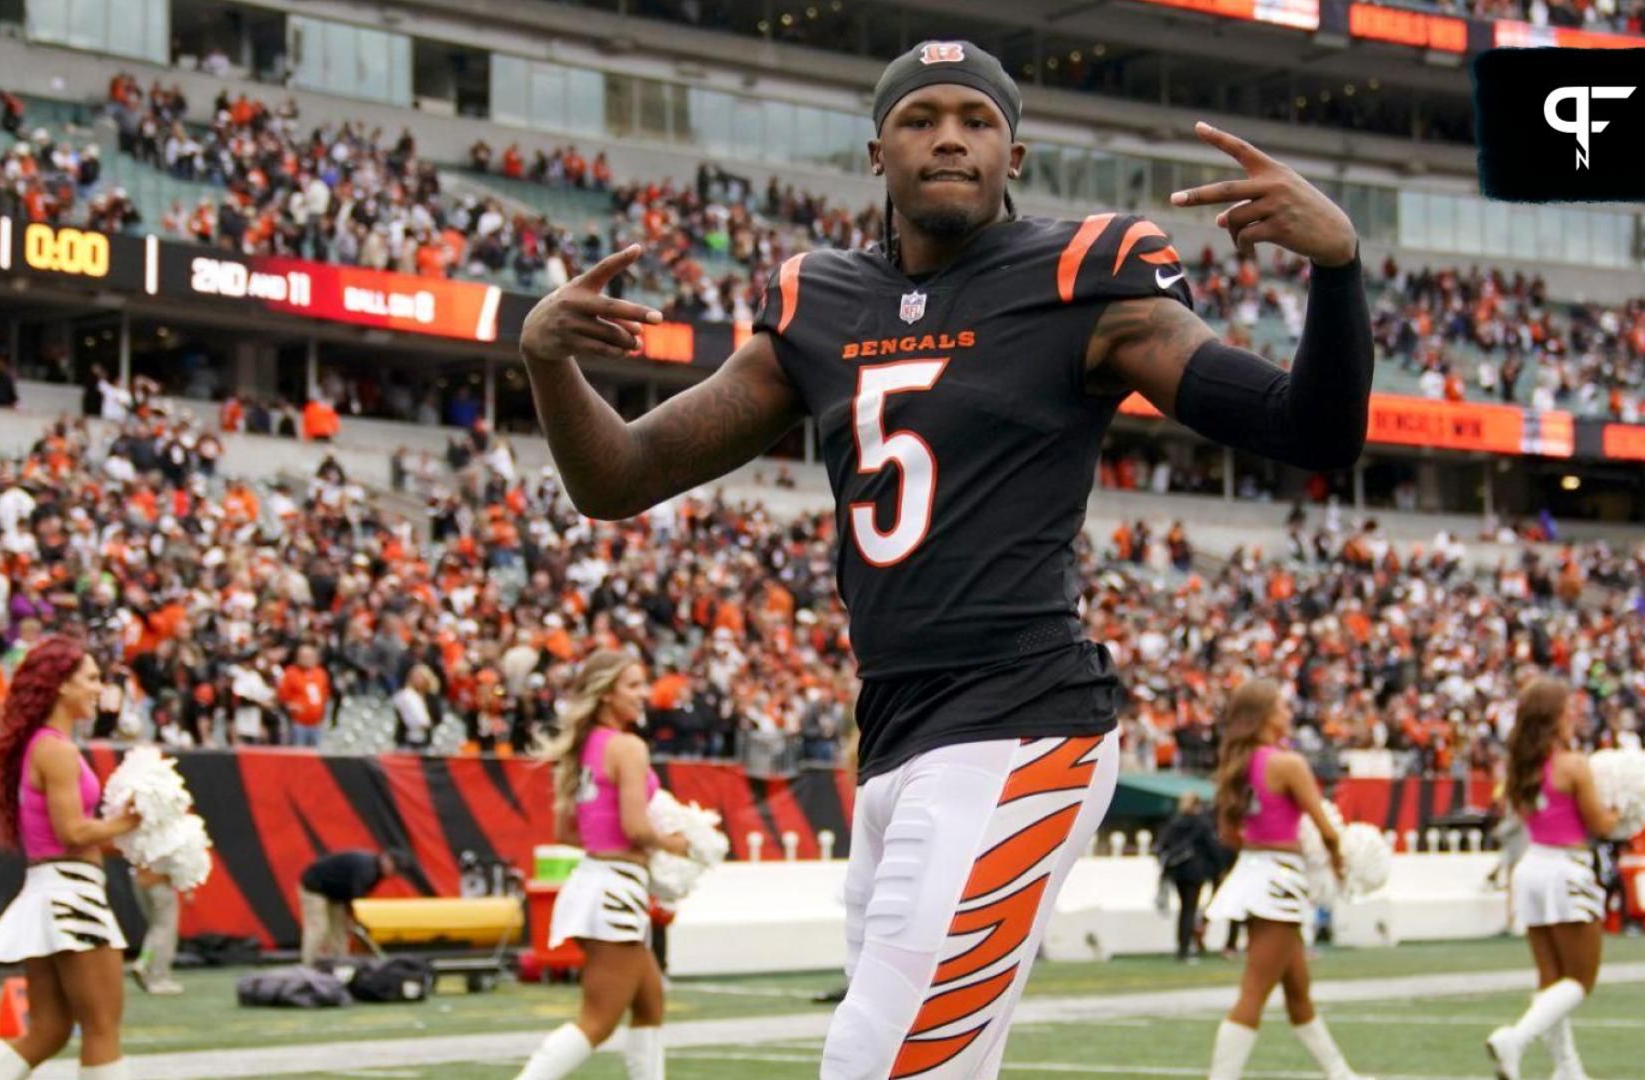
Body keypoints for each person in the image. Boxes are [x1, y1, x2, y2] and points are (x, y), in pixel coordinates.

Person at [518, 39, 1370, 1077]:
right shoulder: (818, 302)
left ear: (1017, 150)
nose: (951, 137)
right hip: (892, 737)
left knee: (874, 1063)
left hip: (1020, 727)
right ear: (879, 152)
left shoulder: (1082, 280)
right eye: (922, 119)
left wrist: (1337, 270)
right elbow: (621, 478)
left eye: (977, 118)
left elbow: (1309, 431)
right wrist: (548, 363)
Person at [514, 651, 685, 1080]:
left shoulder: (584, 747)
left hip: (592, 881)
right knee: (598, 1021)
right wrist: (676, 843)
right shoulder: (627, 746)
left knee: (649, 1004)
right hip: (616, 890)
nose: (643, 694)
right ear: (607, 693)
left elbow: (567, 832)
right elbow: (635, 826)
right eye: (632, 685)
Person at [0, 636, 143, 1080]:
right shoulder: (56, 749)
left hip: (51, 892)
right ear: (61, 685)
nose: (99, 688)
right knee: (102, 1029)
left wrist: (140, 839)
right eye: (92, 678)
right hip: (72, 898)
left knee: (49, 1030)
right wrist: (130, 821)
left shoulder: (39, 746)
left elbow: (75, 836)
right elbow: (72, 832)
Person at [1203, 681, 1365, 1080]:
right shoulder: (1287, 763)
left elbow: (1228, 834)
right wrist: (1339, 861)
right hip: (1280, 881)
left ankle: (1341, 1074)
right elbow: (1326, 828)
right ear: (1263, 716)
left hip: (1253, 873)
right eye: (1281, 708)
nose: (1288, 715)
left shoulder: (1236, 765)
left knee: (1298, 995)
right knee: (1253, 995)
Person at [1485, 679, 1619, 1080]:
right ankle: (1516, 1039)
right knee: (1581, 979)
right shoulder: (1573, 764)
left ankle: (1567, 1069)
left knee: (1550, 980)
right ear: (1555, 717)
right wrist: (1626, 811)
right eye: (1568, 710)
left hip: (1531, 868)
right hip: (1566, 869)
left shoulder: (1518, 767)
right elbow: (1600, 825)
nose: (1574, 716)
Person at [297, 849, 410, 965]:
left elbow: (355, 894)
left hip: (336, 893)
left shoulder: (378, 872)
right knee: (318, 928)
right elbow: (356, 896)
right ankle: (307, 965)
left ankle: (339, 965)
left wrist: (351, 919)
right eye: (394, 869)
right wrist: (354, 919)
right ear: (386, 860)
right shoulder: (366, 868)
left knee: (340, 931)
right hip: (314, 887)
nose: (394, 874)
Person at [1156, 791, 1223, 962]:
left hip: (1177, 871)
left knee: (1184, 909)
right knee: (1189, 909)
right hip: (1195, 871)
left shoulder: (1175, 822)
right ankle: (1185, 949)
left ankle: (1182, 946)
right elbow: (1212, 847)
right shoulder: (1201, 824)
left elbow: (1162, 845)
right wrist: (1219, 866)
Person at [128, 869, 182, 995]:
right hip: (159, 883)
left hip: (139, 880)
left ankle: (143, 962)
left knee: (156, 928)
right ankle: (158, 978)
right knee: (164, 929)